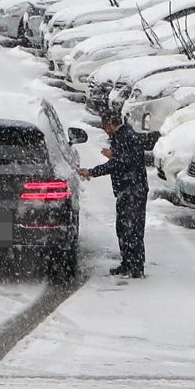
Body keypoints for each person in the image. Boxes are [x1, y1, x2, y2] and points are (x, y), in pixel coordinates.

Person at [78, 112, 149, 278]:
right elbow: (127, 159)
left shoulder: (125, 136)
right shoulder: (125, 135)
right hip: (131, 189)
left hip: (132, 189)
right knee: (126, 228)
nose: (106, 131)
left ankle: (135, 266)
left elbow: (122, 163)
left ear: (110, 124)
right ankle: (128, 263)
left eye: (105, 127)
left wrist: (93, 171)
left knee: (131, 229)